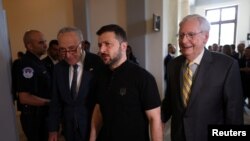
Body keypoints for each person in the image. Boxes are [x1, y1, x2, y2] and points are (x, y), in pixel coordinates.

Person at [161, 14, 243, 141]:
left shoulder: (227, 66)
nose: (184, 41)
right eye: (181, 35)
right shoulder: (173, 65)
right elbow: (170, 101)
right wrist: (156, 119)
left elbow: (234, 115)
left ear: (205, 37)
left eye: (191, 35)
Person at [89, 24, 162, 141]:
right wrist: (92, 138)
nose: (101, 50)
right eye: (100, 45)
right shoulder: (99, 75)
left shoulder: (143, 78)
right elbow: (98, 110)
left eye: (107, 44)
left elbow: (155, 119)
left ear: (123, 46)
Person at [48, 27, 104, 141]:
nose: (68, 55)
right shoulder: (58, 68)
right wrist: (53, 129)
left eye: (72, 49)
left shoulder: (98, 63)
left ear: (82, 45)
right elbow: (56, 101)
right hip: (69, 128)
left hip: (94, 127)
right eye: (62, 50)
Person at [16, 30, 51, 141]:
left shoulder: (37, 62)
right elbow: (24, 98)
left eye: (45, 41)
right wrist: (50, 103)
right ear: (30, 46)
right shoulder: (27, 65)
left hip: (42, 115)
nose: (45, 45)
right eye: (41, 42)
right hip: (34, 117)